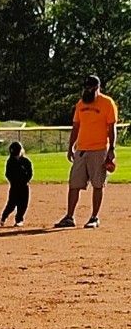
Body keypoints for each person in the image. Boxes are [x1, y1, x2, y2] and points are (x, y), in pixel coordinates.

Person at [55, 75, 118, 229]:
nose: (87, 90)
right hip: (81, 149)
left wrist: (112, 149)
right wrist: (70, 146)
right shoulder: (81, 104)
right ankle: (69, 217)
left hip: (99, 149)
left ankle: (94, 217)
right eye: (86, 87)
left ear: (97, 87)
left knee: (98, 184)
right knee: (74, 183)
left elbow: (112, 128)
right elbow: (76, 126)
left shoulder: (107, 103)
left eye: (90, 87)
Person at [0, 141, 33, 227]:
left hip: (24, 187)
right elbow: (8, 174)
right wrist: (13, 182)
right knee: (11, 204)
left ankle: (19, 219)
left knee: (23, 204)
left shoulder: (26, 161)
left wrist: (26, 180)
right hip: (14, 187)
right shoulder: (10, 162)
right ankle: (4, 217)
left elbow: (30, 173)